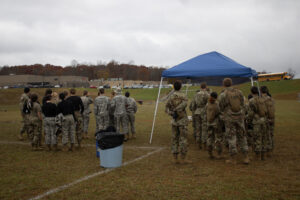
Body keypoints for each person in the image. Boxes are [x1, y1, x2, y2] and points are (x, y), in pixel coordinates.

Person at [218, 78, 249, 164]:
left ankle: (233, 158)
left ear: (223, 84)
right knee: (242, 136)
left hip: (229, 118)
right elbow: (243, 104)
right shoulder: (239, 92)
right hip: (239, 117)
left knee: (231, 138)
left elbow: (220, 106)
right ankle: (246, 157)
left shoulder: (223, 94)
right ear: (231, 83)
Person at [165, 80, 190, 164]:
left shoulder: (171, 97)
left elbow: (166, 109)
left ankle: (175, 158)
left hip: (174, 121)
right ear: (181, 87)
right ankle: (183, 158)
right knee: (183, 139)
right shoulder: (184, 96)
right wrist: (177, 110)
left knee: (174, 139)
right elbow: (185, 105)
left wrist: (172, 113)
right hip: (182, 120)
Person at [248, 86, 269, 160]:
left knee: (257, 138)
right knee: (263, 137)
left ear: (251, 92)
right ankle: (264, 155)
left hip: (257, 121)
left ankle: (257, 156)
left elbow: (250, 114)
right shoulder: (263, 99)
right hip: (264, 120)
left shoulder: (251, 100)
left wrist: (248, 121)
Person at [190, 82, 210, 149]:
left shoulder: (196, 95)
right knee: (204, 129)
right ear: (205, 87)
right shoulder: (207, 94)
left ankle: (198, 143)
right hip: (204, 112)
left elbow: (193, 105)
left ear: (200, 87)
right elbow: (209, 105)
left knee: (198, 128)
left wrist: (194, 111)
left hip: (197, 112)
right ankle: (204, 144)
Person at [206, 92, 223, 159]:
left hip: (209, 123)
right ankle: (219, 154)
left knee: (210, 138)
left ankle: (210, 153)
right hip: (216, 123)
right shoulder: (217, 104)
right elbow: (219, 112)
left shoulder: (207, 104)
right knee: (218, 138)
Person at [261, 86, 275, 154]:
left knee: (266, 134)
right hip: (272, 118)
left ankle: (268, 149)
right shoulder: (271, 99)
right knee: (271, 134)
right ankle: (271, 148)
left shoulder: (262, 99)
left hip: (265, 119)